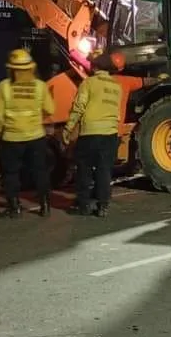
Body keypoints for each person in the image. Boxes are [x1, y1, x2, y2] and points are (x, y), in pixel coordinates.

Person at [62, 52, 163, 217]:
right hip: (110, 134)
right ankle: (103, 206)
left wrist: (68, 129)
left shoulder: (89, 83)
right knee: (104, 170)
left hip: (91, 133)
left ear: (95, 67)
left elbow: (78, 107)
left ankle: (83, 205)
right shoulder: (117, 86)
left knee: (84, 170)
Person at [0, 49, 55, 218]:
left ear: (12, 69)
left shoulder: (4, 86)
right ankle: (45, 205)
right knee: (40, 171)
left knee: (10, 173)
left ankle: (14, 207)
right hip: (36, 137)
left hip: (11, 139)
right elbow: (50, 109)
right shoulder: (40, 86)